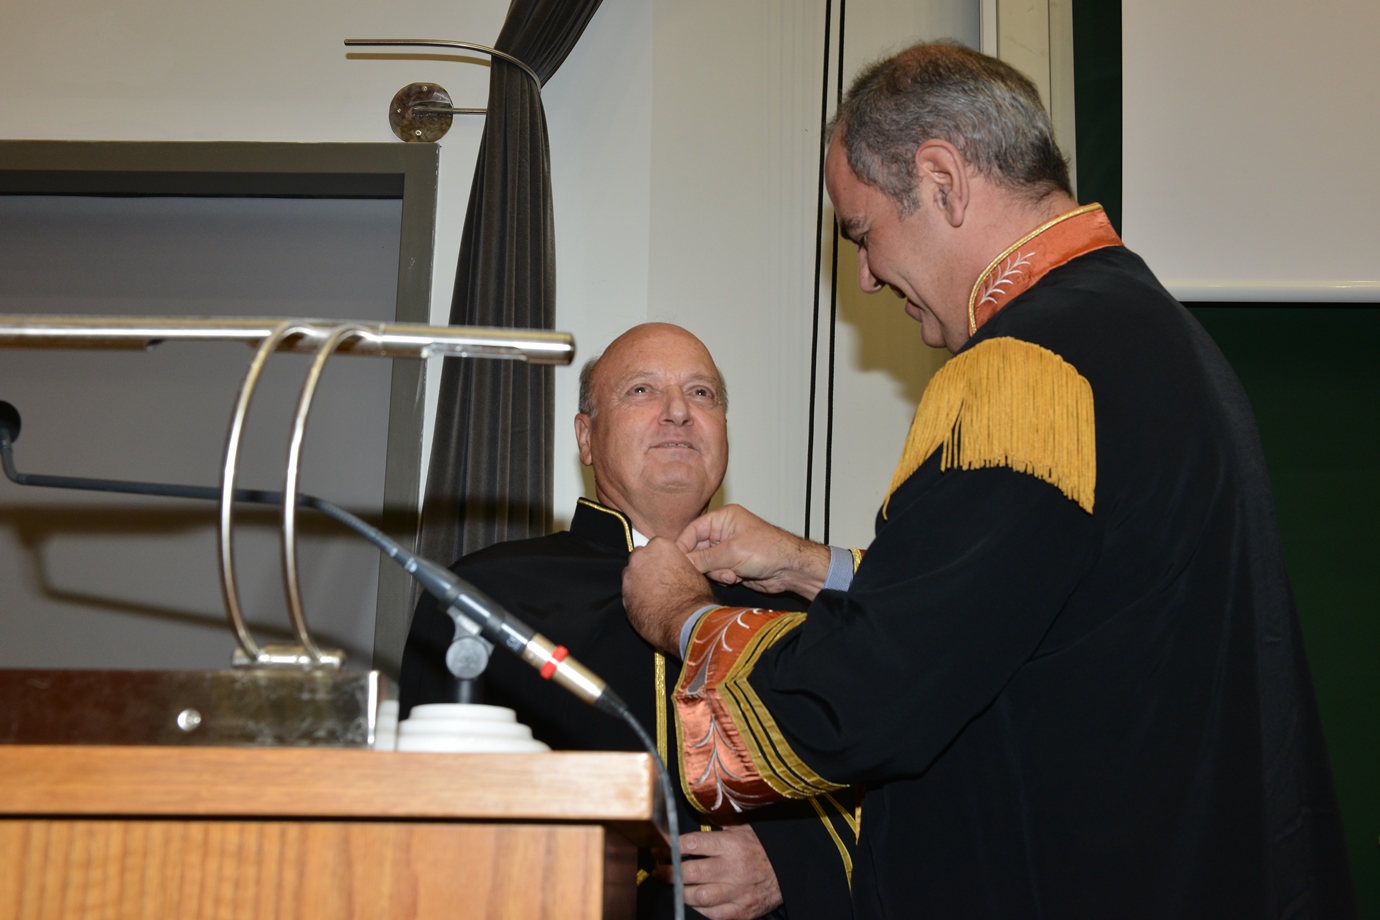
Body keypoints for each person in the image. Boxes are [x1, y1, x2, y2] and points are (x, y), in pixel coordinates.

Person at [621, 43, 1356, 918]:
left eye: (862, 232)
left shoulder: (1022, 372)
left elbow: (870, 694)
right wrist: (815, 567)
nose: (866, 276)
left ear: (942, 180)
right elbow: (1029, 604)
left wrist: (682, 614)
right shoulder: (1142, 329)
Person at [400, 323, 856, 920]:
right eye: (642, 390)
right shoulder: (486, 594)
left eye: (701, 394)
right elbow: (433, 819)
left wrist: (790, 863)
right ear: (586, 437)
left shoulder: (804, 606)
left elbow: (896, 789)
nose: (678, 412)